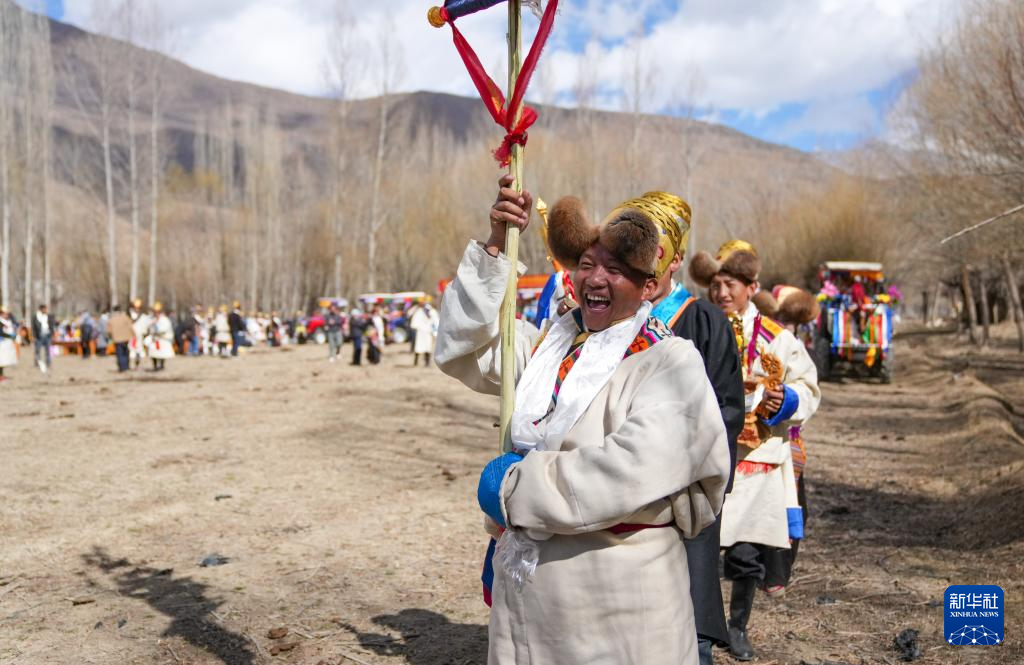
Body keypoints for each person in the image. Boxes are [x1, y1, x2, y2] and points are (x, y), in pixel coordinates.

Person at [435, 175, 730, 665]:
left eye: (615, 269)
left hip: (618, 602)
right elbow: (463, 347)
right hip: (531, 595)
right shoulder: (549, 345)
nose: (595, 278)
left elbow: (627, 470)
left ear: (648, 286)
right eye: (587, 264)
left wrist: (515, 487)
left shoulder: (670, 362)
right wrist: (496, 245)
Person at [689, 240, 821, 661]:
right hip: (705, 453)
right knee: (699, 546)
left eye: (730, 285)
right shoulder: (695, 326)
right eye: (715, 285)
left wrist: (785, 400)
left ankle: (738, 627)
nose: (721, 293)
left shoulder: (778, 340)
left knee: (747, 550)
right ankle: (699, 630)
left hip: (757, 458)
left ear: (751, 287)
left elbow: (807, 386)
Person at [640, 193, 745, 665]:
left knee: (687, 616)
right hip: (623, 494)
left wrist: (678, 463)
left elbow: (726, 409)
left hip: (684, 490)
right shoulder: (613, 319)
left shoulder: (703, 320)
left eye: (653, 256)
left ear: (676, 260)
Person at [409, 302, 439, 367]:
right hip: (420, 333)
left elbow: (436, 323)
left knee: (428, 348)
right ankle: (416, 362)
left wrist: (435, 333)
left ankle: (427, 363)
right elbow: (414, 324)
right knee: (418, 347)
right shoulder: (419, 312)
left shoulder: (432, 312)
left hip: (428, 333)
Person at [147, 302, 175, 371]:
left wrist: (158, 329)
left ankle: (162, 365)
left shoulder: (165, 319)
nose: (156, 313)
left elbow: (165, 329)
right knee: (153, 353)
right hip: (154, 339)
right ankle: (155, 366)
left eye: (157, 312)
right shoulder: (152, 319)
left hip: (163, 339)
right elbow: (148, 328)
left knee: (162, 353)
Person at [108, 305, 134, 372]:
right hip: (126, 338)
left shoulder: (112, 319)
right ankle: (126, 366)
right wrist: (133, 335)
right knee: (126, 352)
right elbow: (131, 327)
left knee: (120, 353)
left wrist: (111, 337)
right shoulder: (125, 317)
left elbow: (109, 331)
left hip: (117, 339)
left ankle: (122, 367)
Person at [32, 304, 56, 373]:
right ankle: (37, 363)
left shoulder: (49, 316)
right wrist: (34, 336)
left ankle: (48, 363)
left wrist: (52, 334)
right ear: (41, 309)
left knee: (48, 351)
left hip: (47, 335)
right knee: (37, 351)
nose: (46, 310)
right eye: (44, 309)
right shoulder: (36, 317)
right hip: (39, 336)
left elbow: (52, 325)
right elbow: (33, 327)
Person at [129, 299, 151, 369]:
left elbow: (147, 325)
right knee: (132, 349)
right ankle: (132, 364)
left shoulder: (144, 316)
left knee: (140, 350)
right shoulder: (130, 315)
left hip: (140, 336)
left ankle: (138, 364)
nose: (137, 309)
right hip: (132, 336)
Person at [0, 305, 18, 380]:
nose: (7, 315)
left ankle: (1, 375)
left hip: (4, 342)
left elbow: (15, 322)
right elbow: (1, 333)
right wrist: (10, 336)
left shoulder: (5, 321)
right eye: (5, 314)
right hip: (1, 342)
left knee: (2, 360)